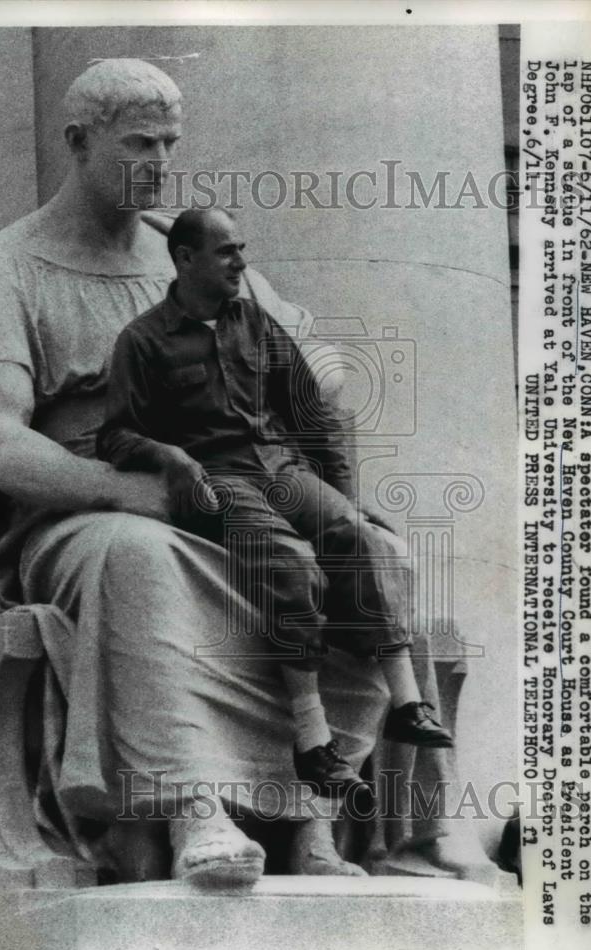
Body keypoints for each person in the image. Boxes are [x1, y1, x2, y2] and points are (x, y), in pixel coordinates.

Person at [0, 58, 487, 890]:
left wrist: (336, 482)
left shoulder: (199, 256)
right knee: (139, 557)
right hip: (86, 510)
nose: (157, 163)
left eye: (168, 143)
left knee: (367, 556)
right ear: (77, 143)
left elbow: (298, 388)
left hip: (232, 494)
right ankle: (196, 807)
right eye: (137, 144)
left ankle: (310, 818)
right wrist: (133, 492)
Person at [96, 206, 454, 800]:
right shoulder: (142, 341)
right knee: (290, 564)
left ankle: (407, 702)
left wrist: (347, 499)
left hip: (280, 467)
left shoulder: (255, 323)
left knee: (358, 537)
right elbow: (114, 434)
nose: (240, 262)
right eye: (226, 251)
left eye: (241, 248)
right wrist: (172, 459)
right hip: (220, 478)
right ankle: (313, 743)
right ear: (185, 259)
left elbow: (314, 414)